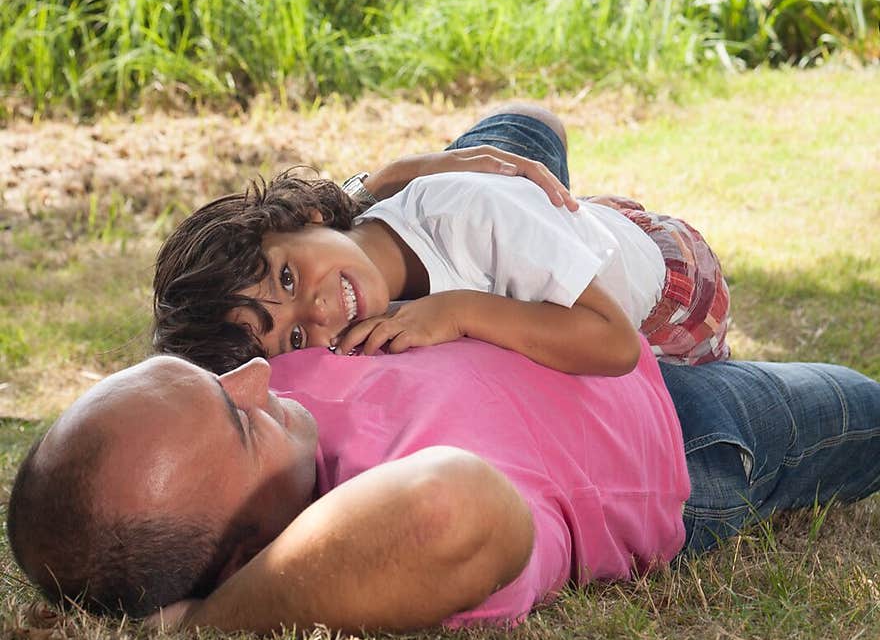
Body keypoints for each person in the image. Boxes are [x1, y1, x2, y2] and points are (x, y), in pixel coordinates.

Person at [7, 106, 880, 636]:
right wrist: (210, 618)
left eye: (217, 376)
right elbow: (445, 508)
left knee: (519, 132)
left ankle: (474, 194)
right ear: (244, 549)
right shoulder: (358, 546)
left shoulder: (248, 366)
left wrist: (395, 182)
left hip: (475, 250)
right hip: (678, 427)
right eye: (237, 415)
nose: (259, 379)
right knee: (863, 407)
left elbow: (290, 261)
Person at [151, 106, 729, 376]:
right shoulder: (360, 296)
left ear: (304, 214)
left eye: (287, 278)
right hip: (556, 250)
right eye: (296, 334)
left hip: (670, 299)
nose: (321, 310)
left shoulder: (466, 212)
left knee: (523, 134)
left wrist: (458, 312)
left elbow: (617, 347)